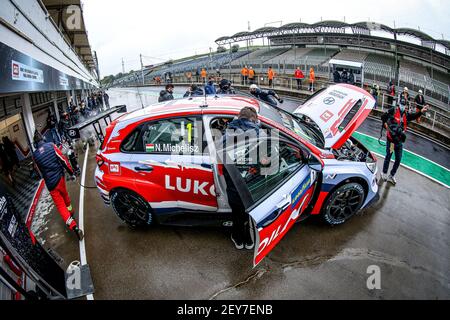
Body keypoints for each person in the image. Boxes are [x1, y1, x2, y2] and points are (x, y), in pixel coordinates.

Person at [220, 107, 262, 250]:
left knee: (236, 212)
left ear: (238, 117)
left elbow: (219, 155)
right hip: (251, 183)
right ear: (253, 119)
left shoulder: (227, 134)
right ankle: (249, 239)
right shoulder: (258, 133)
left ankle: (238, 239)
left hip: (233, 182)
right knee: (249, 213)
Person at [32, 131, 84, 241]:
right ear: (43, 139)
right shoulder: (51, 146)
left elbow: (40, 173)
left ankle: (73, 226)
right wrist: (71, 173)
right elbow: (63, 160)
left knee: (60, 206)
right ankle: (71, 212)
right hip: (60, 179)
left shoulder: (35, 155)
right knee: (65, 195)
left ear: (35, 144)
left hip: (50, 184)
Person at [382, 100, 428, 186]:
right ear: (399, 105)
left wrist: (421, 111)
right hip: (391, 141)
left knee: (398, 159)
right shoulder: (393, 110)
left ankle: (391, 175)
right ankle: (384, 173)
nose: (404, 106)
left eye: (405, 105)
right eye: (402, 104)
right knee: (388, 156)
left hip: (399, 142)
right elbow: (384, 117)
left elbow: (414, 116)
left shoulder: (406, 115)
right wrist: (385, 126)